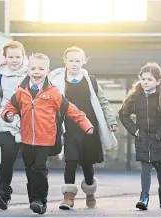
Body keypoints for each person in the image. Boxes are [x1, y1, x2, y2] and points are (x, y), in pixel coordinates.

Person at [1, 53, 94, 214]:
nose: (36, 72)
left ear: (47, 71)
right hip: (26, 139)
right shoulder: (21, 91)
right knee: (30, 169)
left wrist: (85, 124)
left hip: (45, 140)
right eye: (33, 68)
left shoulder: (52, 92)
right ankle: (33, 199)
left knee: (39, 168)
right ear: (28, 70)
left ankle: (41, 200)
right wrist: (8, 115)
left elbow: (71, 109)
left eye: (41, 69)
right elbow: (10, 107)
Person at [48, 46, 118, 209]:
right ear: (65, 61)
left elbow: (103, 101)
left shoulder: (91, 81)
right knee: (70, 161)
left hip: (90, 128)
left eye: (77, 61)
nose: (74, 64)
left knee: (87, 164)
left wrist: (110, 121)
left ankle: (90, 191)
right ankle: (68, 197)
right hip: (69, 128)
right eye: (71, 60)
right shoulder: (57, 82)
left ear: (83, 62)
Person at [119, 62, 161, 210]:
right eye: (143, 78)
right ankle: (144, 197)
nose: (146, 82)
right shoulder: (135, 97)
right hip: (143, 139)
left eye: (150, 79)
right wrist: (135, 131)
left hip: (160, 140)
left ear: (158, 81)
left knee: (160, 169)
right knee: (145, 168)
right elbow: (123, 114)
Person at [0, 41, 29, 210]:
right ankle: (3, 194)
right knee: (6, 162)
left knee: (32, 164)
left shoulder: (32, 73)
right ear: (5, 58)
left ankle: (37, 195)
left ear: (23, 56)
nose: (14, 60)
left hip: (29, 127)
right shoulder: (0, 76)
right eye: (11, 57)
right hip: (7, 127)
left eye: (18, 56)